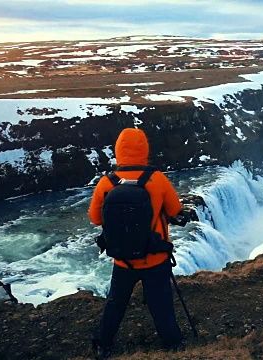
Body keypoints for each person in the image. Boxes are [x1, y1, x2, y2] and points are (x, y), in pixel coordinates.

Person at [88, 128, 183, 358]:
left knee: (116, 303)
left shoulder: (106, 182)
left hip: (123, 260)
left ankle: (104, 343)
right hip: (155, 258)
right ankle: (173, 346)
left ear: (118, 150)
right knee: (161, 305)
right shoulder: (157, 179)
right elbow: (175, 209)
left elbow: (95, 218)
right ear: (145, 150)